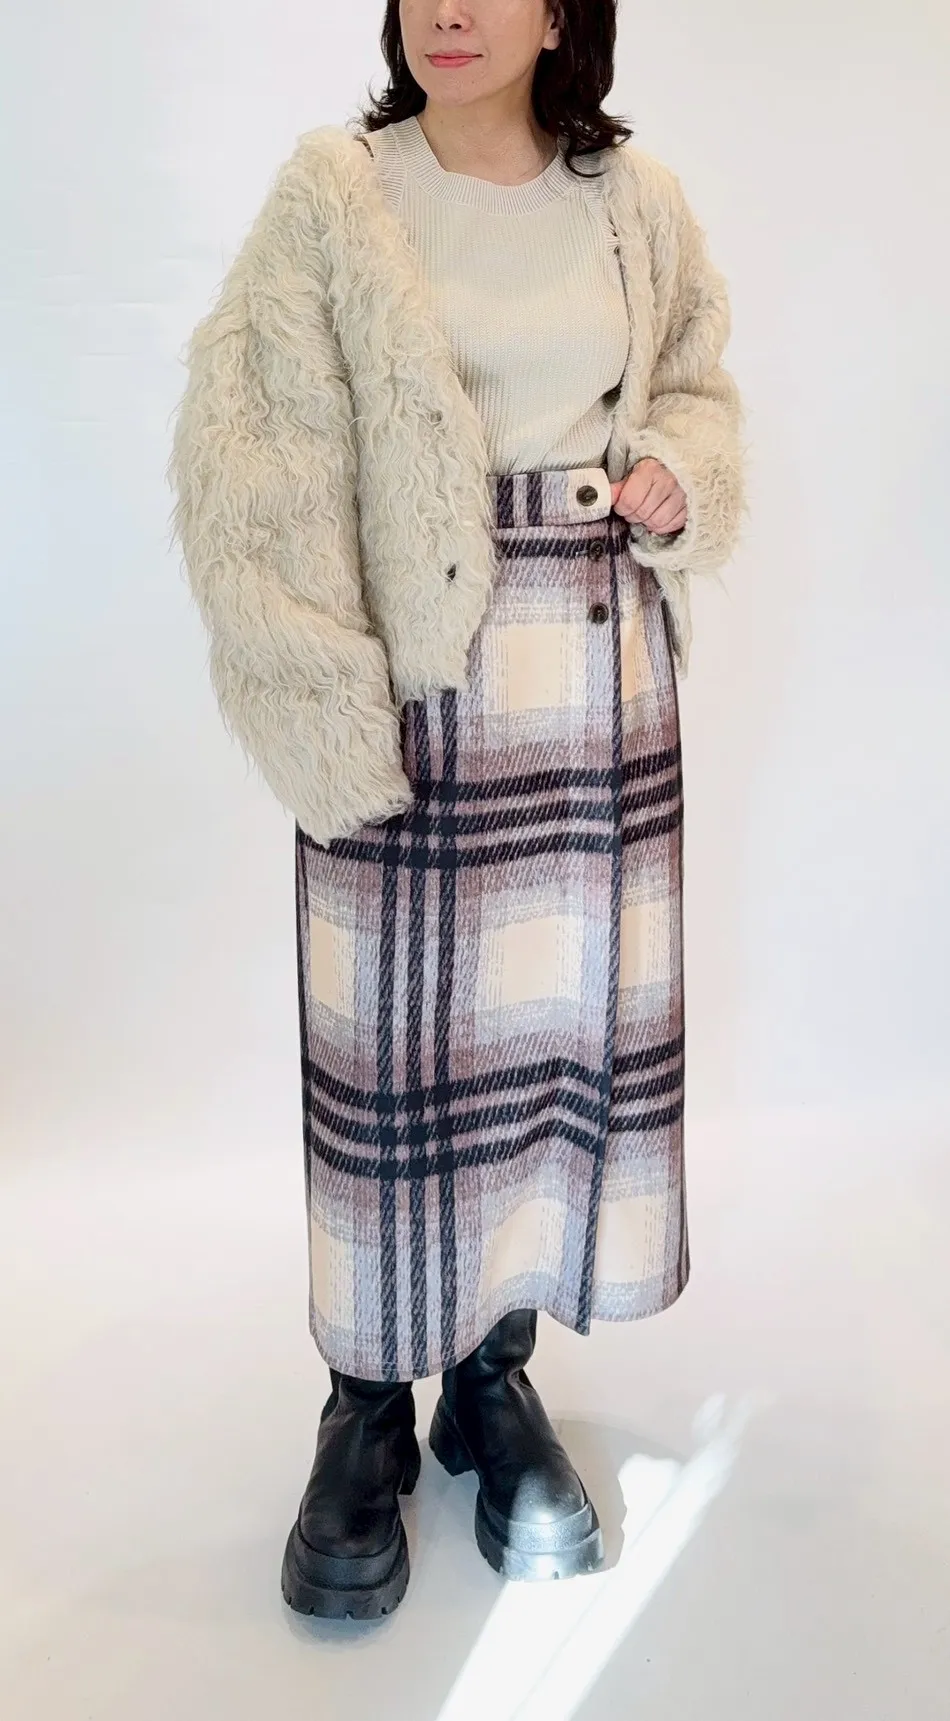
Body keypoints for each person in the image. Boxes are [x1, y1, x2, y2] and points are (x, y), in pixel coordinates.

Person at [167, 0, 744, 1621]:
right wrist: (321, 705)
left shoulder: (633, 203)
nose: (447, 8)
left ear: (560, 12)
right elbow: (254, 461)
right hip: (415, 685)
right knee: (389, 1072)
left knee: (551, 1055)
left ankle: (491, 1378)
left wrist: (676, 473)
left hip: (596, 681)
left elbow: (695, 387)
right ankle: (364, 1404)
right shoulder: (337, 195)